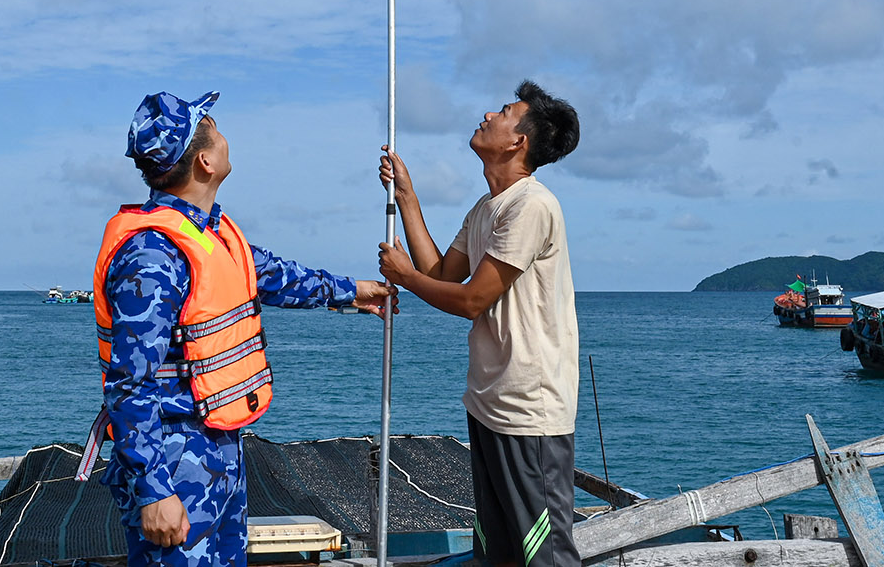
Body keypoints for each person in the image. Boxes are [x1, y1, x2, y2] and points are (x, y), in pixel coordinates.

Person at [88, 90, 392, 567]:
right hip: (173, 460)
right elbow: (130, 383)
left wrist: (352, 291)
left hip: (219, 448)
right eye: (214, 127)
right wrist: (153, 491)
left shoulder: (209, 233)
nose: (225, 134)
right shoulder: (151, 257)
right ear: (205, 161)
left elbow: (272, 274)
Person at [377, 80, 582, 567]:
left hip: (529, 411)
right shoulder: (487, 208)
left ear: (518, 141)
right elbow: (441, 274)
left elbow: (472, 299)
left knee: (546, 555)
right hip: (490, 403)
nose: (489, 115)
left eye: (504, 112)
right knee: (499, 551)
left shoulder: (531, 205)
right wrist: (406, 196)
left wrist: (405, 277)